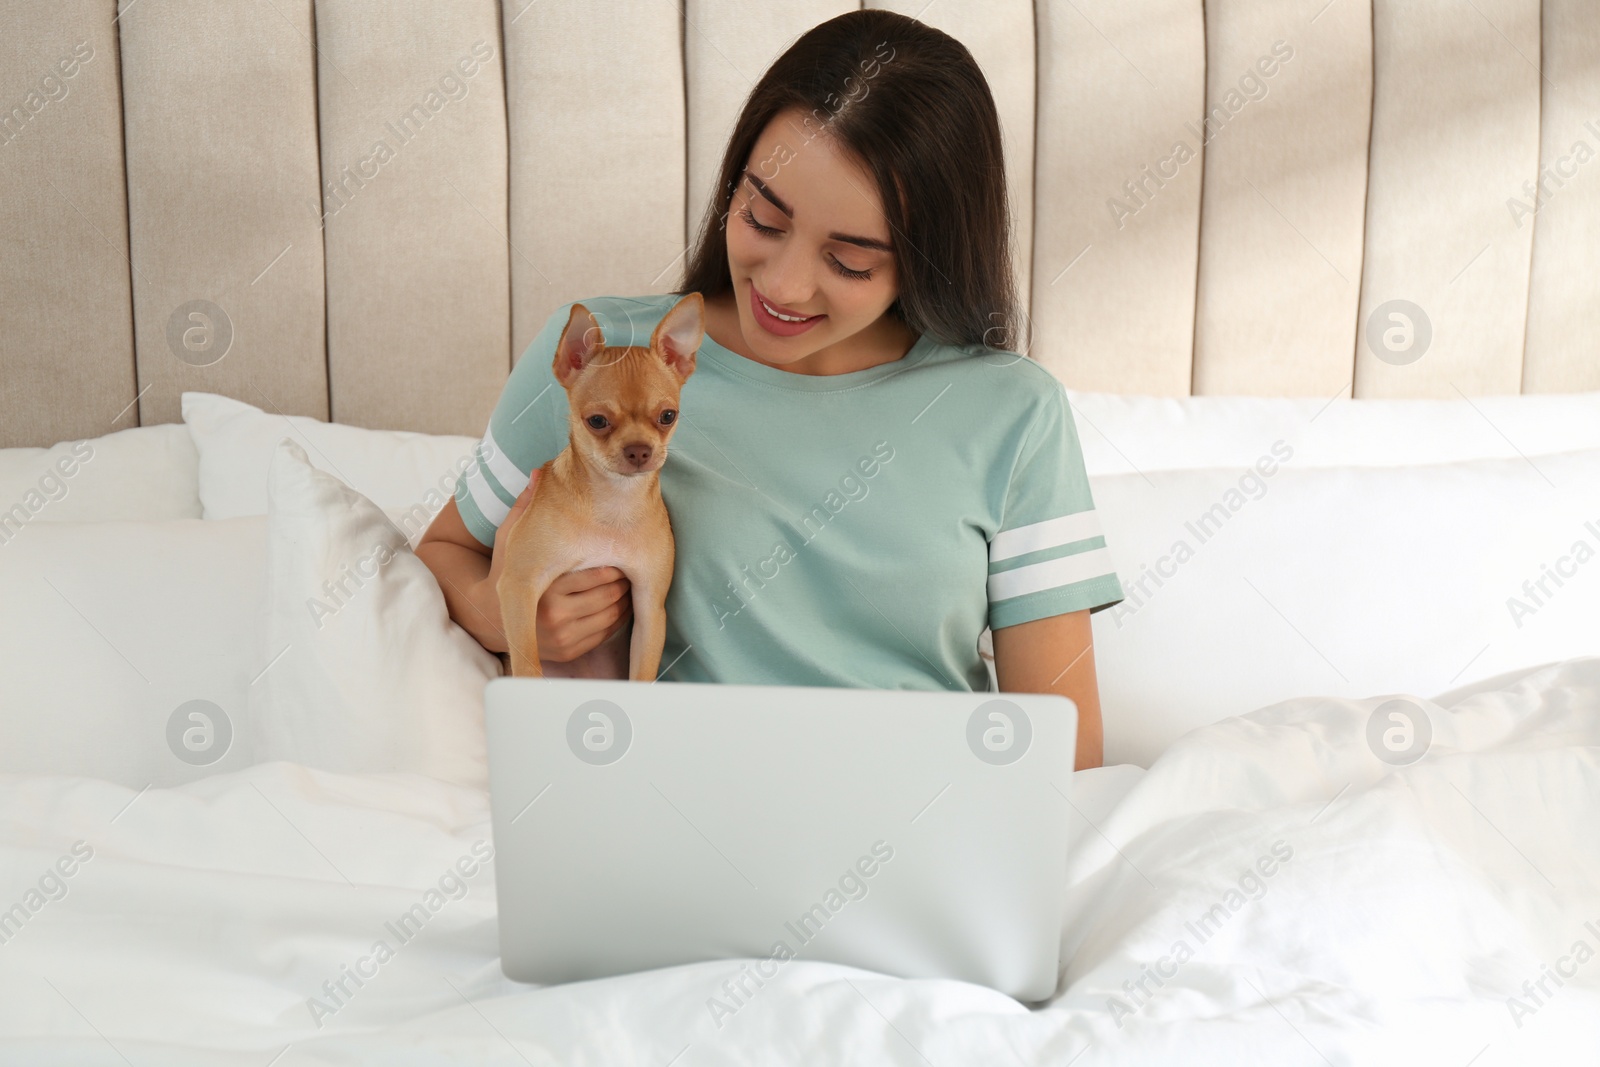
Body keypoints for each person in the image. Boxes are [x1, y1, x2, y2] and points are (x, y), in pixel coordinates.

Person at [416, 8, 1123, 768]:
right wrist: (509, 614)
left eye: (850, 260)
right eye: (761, 215)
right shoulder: (605, 365)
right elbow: (444, 551)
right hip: (671, 813)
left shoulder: (1012, 412)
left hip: (924, 829)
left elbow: (1067, 752)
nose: (783, 285)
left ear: (930, 257)